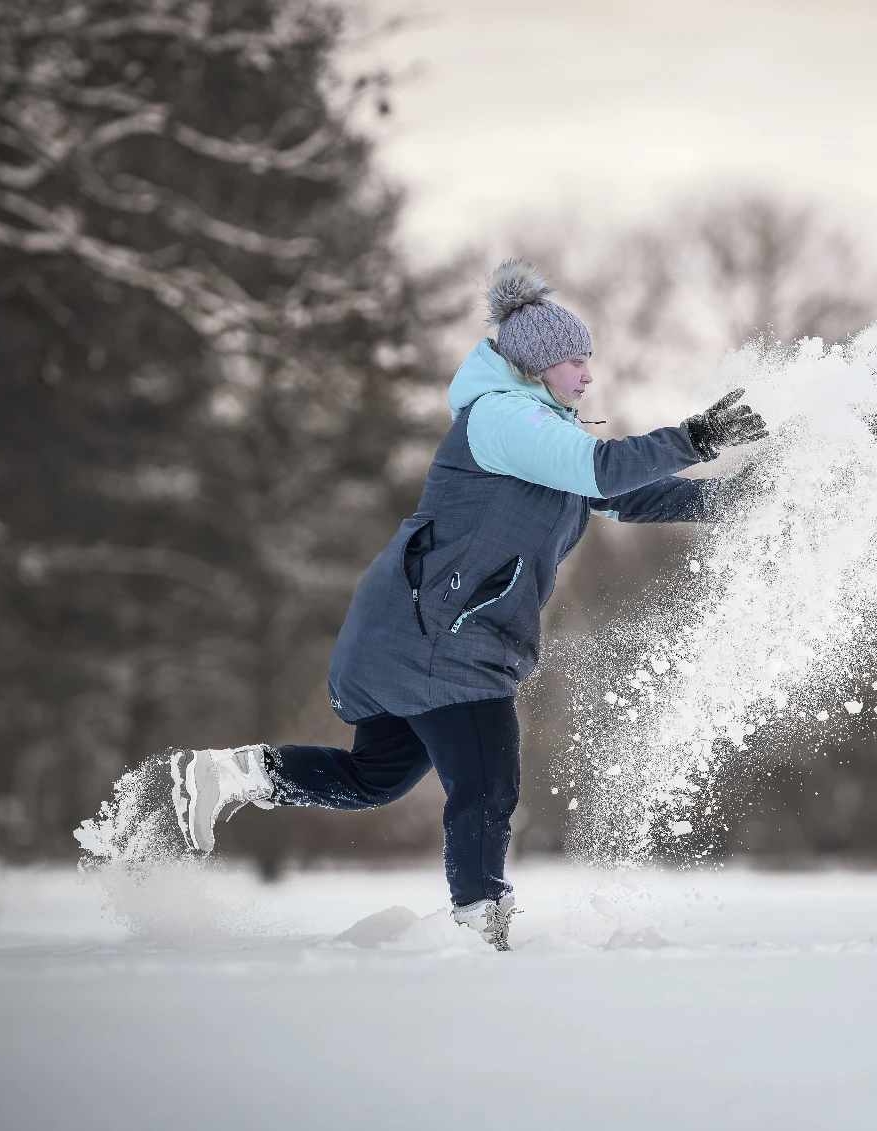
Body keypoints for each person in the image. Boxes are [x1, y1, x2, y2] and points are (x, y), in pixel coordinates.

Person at [165, 259, 768, 948]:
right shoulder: (503, 418)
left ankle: (231, 774)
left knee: (373, 777)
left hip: (415, 629)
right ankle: (479, 924)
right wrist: (694, 439)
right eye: (574, 360)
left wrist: (743, 498)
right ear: (536, 364)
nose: (586, 375)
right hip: (442, 638)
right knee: (486, 782)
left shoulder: (540, 430)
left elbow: (624, 495)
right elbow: (600, 470)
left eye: (588, 360)